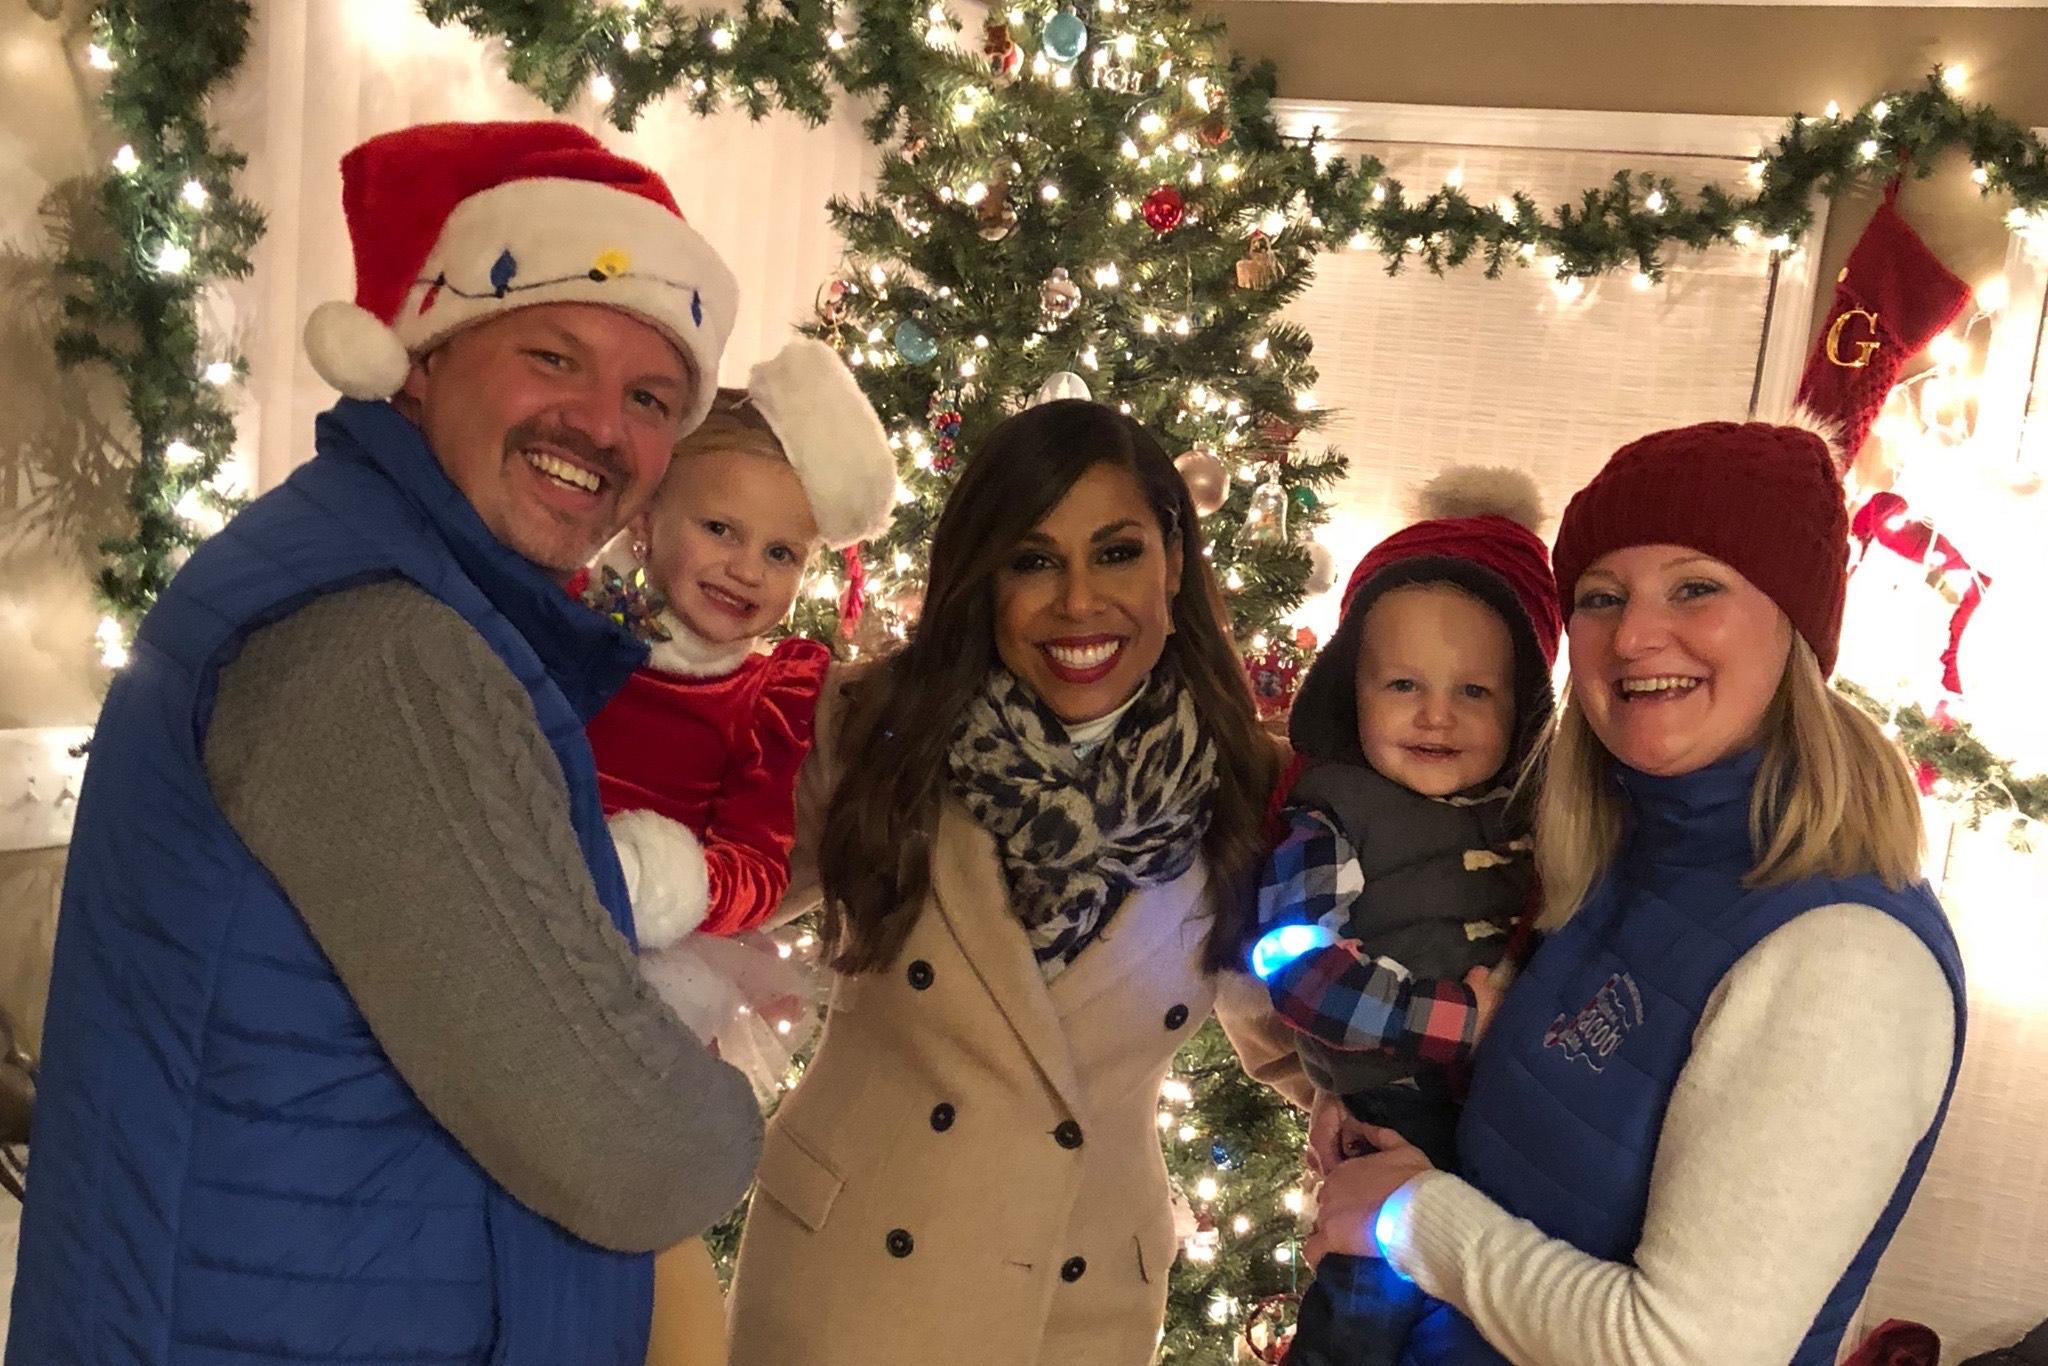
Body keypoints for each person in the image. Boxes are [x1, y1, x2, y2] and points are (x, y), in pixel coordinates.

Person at [8, 121, 763, 1366]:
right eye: (552, 355)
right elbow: (628, 1147)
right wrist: (733, 1105)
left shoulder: (410, 592)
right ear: (421, 362)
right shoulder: (379, 650)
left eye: (649, 398)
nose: (599, 426)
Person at [1304, 419, 1967, 1366]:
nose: (1634, 636)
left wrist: (1411, 1215)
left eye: (1696, 587)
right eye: (1602, 596)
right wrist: (1381, 1116)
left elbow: (1686, 1352)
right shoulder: (1613, 860)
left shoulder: (1847, 957)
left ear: (1796, 624)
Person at [724, 398, 1308, 1365]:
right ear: (981, 579)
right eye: (1033, 560)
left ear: (1172, 564)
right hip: (848, 1282)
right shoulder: (871, 731)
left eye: (1116, 552)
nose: (1079, 601)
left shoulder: (1247, 790)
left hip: (1079, 1306)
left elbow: (1305, 1043)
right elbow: (699, 893)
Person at [576, 337, 895, 1366]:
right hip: (510, 916)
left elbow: (759, 867)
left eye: (780, 552)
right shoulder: (576, 622)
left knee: (626, 1209)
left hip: (656, 971)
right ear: (644, 517)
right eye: (720, 528)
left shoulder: (776, 688)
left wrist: (658, 878)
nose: (745, 569)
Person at [1248, 468, 1560, 1366]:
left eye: (1474, 693)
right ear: (1353, 688)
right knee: (1366, 1300)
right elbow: (1298, 970)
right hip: (1397, 1103)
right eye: (1403, 685)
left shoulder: (1534, 817)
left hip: (1498, 1116)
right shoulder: (1333, 814)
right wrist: (1458, 1023)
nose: (1435, 714)